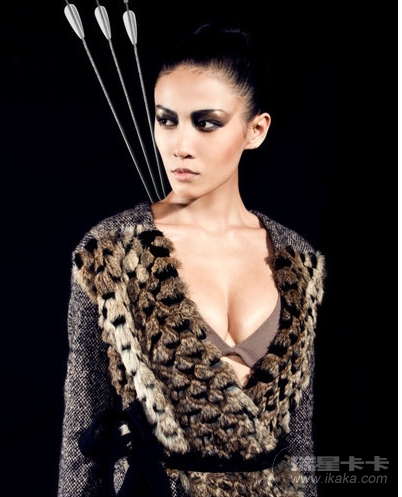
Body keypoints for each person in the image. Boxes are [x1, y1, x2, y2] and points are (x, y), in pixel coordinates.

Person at [57, 19, 326, 497]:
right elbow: (84, 439)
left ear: (256, 130)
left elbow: (298, 443)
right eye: (166, 120)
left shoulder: (297, 259)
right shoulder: (111, 252)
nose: (180, 145)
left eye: (206, 123)